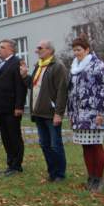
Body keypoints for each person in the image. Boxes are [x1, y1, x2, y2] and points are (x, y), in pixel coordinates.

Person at [20, 40, 68, 182]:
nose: (37, 50)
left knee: (55, 144)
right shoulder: (39, 65)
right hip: (39, 112)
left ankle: (60, 174)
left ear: (49, 50)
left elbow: (62, 91)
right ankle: (52, 173)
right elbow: (34, 85)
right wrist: (25, 76)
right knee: (44, 144)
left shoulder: (57, 66)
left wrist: (58, 113)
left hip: (51, 113)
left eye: (40, 48)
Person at [67, 34, 104, 192]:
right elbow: (71, 92)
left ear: (87, 50)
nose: (76, 53)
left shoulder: (97, 65)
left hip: (93, 113)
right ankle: (91, 177)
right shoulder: (74, 67)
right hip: (78, 114)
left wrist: (101, 113)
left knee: (96, 145)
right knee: (85, 146)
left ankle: (99, 178)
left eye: (79, 50)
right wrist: (71, 114)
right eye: (74, 50)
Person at [0, 39, 27, 176]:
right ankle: (10, 164)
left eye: (2, 47)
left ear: (11, 49)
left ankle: (16, 166)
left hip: (12, 108)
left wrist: (19, 106)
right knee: (5, 137)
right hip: (1, 108)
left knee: (14, 136)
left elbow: (20, 86)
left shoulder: (16, 63)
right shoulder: (0, 64)